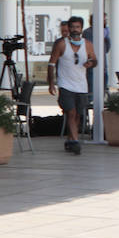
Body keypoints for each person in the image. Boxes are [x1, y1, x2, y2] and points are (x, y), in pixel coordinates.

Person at [47, 15, 96, 156]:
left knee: (78, 115)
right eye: (72, 27)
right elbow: (51, 63)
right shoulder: (61, 44)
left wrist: (90, 63)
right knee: (71, 112)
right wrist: (51, 84)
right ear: (68, 28)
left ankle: (69, 140)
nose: (75, 29)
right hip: (65, 84)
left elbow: (95, 59)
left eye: (77, 27)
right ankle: (75, 141)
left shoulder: (87, 44)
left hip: (81, 84)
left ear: (81, 28)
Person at [83, 14, 111, 92]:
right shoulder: (88, 32)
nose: (105, 22)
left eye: (105, 20)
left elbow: (107, 48)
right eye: (103, 20)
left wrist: (107, 36)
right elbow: (90, 49)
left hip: (103, 66)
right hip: (93, 67)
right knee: (92, 91)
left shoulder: (104, 32)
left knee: (103, 90)